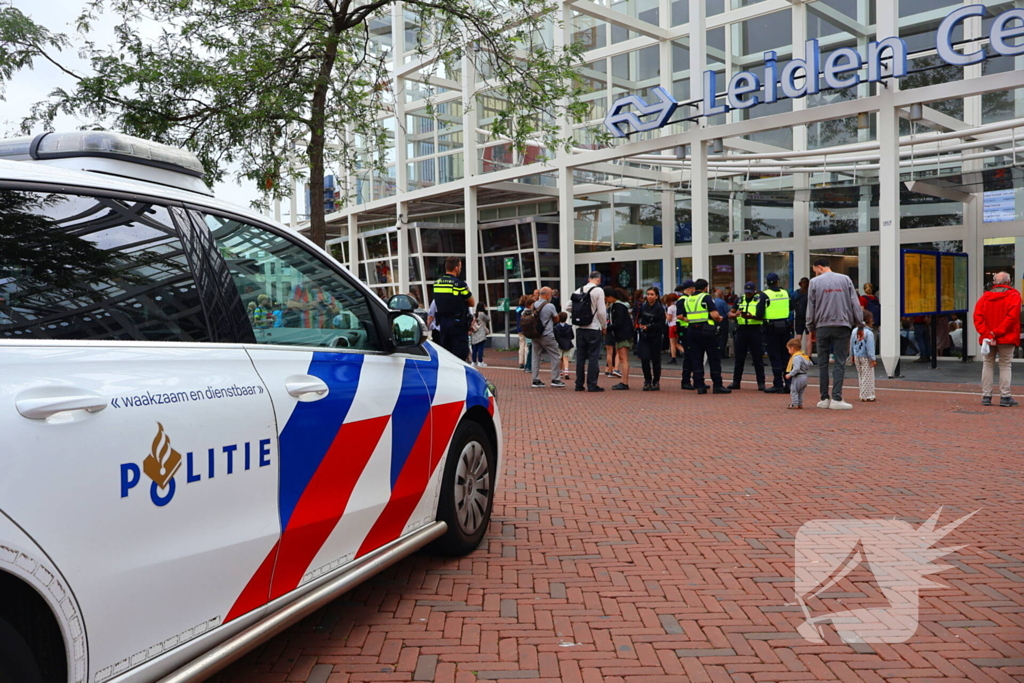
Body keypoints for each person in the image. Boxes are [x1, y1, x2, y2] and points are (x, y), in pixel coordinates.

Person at [806, 257, 864, 410]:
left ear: (819, 267)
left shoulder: (814, 282)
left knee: (823, 363)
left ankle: (824, 398)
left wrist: (810, 327)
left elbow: (811, 307)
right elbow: (855, 303)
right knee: (839, 362)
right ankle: (837, 398)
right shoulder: (845, 280)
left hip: (822, 325)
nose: (815, 273)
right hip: (842, 324)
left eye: (815, 270)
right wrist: (860, 325)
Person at [973, 272, 1021, 407]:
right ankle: (1005, 396)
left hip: (988, 338)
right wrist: (996, 333)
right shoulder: (1014, 296)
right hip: (1007, 337)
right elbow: (1011, 318)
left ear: (994, 283)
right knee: (1005, 365)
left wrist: (988, 334)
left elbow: (978, 317)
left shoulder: (985, 297)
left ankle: (986, 395)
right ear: (1009, 282)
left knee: (988, 364)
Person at [681, 279, 731, 395]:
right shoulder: (705, 297)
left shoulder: (688, 299)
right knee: (714, 358)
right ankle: (717, 385)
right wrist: (720, 319)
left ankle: (700, 386)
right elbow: (715, 315)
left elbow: (684, 316)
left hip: (692, 330)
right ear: (705, 288)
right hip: (707, 331)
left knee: (696, 359)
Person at [567, 271, 607, 392]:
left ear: (589, 279)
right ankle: (592, 384)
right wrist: (604, 325)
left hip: (580, 328)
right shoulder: (598, 291)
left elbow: (568, 306)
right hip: (593, 327)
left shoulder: (578, 290)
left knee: (580, 357)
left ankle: (579, 384)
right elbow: (601, 312)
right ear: (598, 279)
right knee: (593, 357)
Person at [432, 256, 475, 361]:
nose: (460, 269)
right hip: (458, 324)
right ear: (456, 268)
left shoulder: (437, 284)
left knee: (447, 355)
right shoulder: (460, 284)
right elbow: (472, 303)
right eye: (460, 266)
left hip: (443, 324)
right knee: (460, 355)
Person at [728, 282, 767, 391]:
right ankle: (736, 382)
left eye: (750, 292)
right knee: (739, 358)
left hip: (755, 329)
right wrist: (735, 314)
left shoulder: (759, 300)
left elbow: (762, 316)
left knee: (757, 358)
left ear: (754, 291)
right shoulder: (740, 300)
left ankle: (761, 383)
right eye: (746, 292)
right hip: (742, 330)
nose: (748, 294)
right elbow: (730, 313)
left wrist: (751, 316)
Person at [761, 273, 792, 394]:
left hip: (771, 329)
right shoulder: (785, 293)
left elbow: (759, 313)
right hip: (785, 327)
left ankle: (778, 384)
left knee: (775, 356)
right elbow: (791, 307)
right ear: (778, 282)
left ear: (767, 282)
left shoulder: (765, 295)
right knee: (786, 356)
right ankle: (789, 383)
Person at [529, 287, 564, 388]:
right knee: (555, 356)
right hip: (547, 335)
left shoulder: (533, 304)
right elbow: (556, 319)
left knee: (535, 357)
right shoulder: (550, 306)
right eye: (551, 295)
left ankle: (535, 380)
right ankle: (555, 379)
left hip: (535, 335)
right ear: (547, 295)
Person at [636, 288, 666, 391]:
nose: (649, 296)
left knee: (655, 360)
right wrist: (640, 325)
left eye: (652, 294)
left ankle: (656, 381)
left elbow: (661, 324)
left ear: (656, 296)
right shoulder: (643, 306)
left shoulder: (659, 308)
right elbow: (639, 317)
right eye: (648, 294)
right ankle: (647, 380)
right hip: (644, 336)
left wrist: (649, 327)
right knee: (644, 359)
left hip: (655, 337)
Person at [605, 288, 634, 390]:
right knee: (622, 358)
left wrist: (607, 328)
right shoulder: (618, 306)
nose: (606, 300)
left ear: (611, 297)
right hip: (621, 334)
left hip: (622, 335)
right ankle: (624, 381)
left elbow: (619, 322)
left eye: (606, 298)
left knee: (623, 359)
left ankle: (624, 382)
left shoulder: (618, 306)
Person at [851, 310, 877, 402]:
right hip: (866, 357)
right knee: (868, 376)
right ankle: (867, 395)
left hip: (857, 355)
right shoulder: (869, 333)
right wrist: (873, 358)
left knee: (861, 375)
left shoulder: (854, 331)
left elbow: (851, 344)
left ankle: (864, 393)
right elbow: (870, 347)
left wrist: (852, 355)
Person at [675, 281, 696, 389]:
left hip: (690, 328)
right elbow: (679, 315)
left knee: (692, 355)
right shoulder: (682, 300)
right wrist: (691, 319)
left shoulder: (689, 299)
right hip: (685, 328)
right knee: (688, 355)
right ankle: (686, 380)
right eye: (693, 288)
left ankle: (694, 379)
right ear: (689, 289)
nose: (694, 290)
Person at [785, 338, 812, 409]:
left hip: (798, 377)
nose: (788, 351)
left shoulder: (796, 357)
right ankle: (800, 404)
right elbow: (810, 363)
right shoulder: (803, 356)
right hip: (804, 376)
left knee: (794, 391)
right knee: (800, 392)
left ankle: (795, 404)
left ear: (792, 348)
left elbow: (796, 368)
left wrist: (790, 374)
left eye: (788, 349)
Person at [554, 311, 574, 380]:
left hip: (559, 344)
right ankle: (566, 372)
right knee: (566, 358)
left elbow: (555, 337)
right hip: (567, 344)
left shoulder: (556, 327)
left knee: (560, 358)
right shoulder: (569, 327)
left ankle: (560, 372)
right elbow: (572, 336)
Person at [793, 277, 811, 355]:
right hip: (809, 318)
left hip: (799, 318)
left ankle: (796, 355)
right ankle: (809, 357)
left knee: (798, 337)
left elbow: (791, 305)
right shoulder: (810, 293)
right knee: (809, 338)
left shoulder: (796, 294)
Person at [470, 302, 490, 367]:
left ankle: (474, 361)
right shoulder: (482, 314)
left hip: (474, 333)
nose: (485, 307)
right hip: (481, 333)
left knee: (474, 349)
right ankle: (480, 361)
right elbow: (488, 319)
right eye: (484, 306)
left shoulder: (474, 314)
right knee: (480, 348)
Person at [712, 288, 730, 359]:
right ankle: (722, 353)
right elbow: (727, 312)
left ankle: (715, 352)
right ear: (721, 295)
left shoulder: (713, 301)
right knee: (723, 337)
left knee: (716, 336)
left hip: (714, 321)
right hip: (723, 321)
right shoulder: (722, 302)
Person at [515, 295, 530, 369]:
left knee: (521, 345)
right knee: (527, 345)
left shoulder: (518, 308)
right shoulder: (526, 309)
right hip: (526, 328)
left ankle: (520, 362)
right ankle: (527, 362)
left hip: (519, 328)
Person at [665, 293, 681, 364]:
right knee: (676, 342)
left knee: (672, 343)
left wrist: (666, 314)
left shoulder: (670, 308)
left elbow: (669, 318)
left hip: (672, 326)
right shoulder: (677, 307)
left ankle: (673, 357)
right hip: (677, 324)